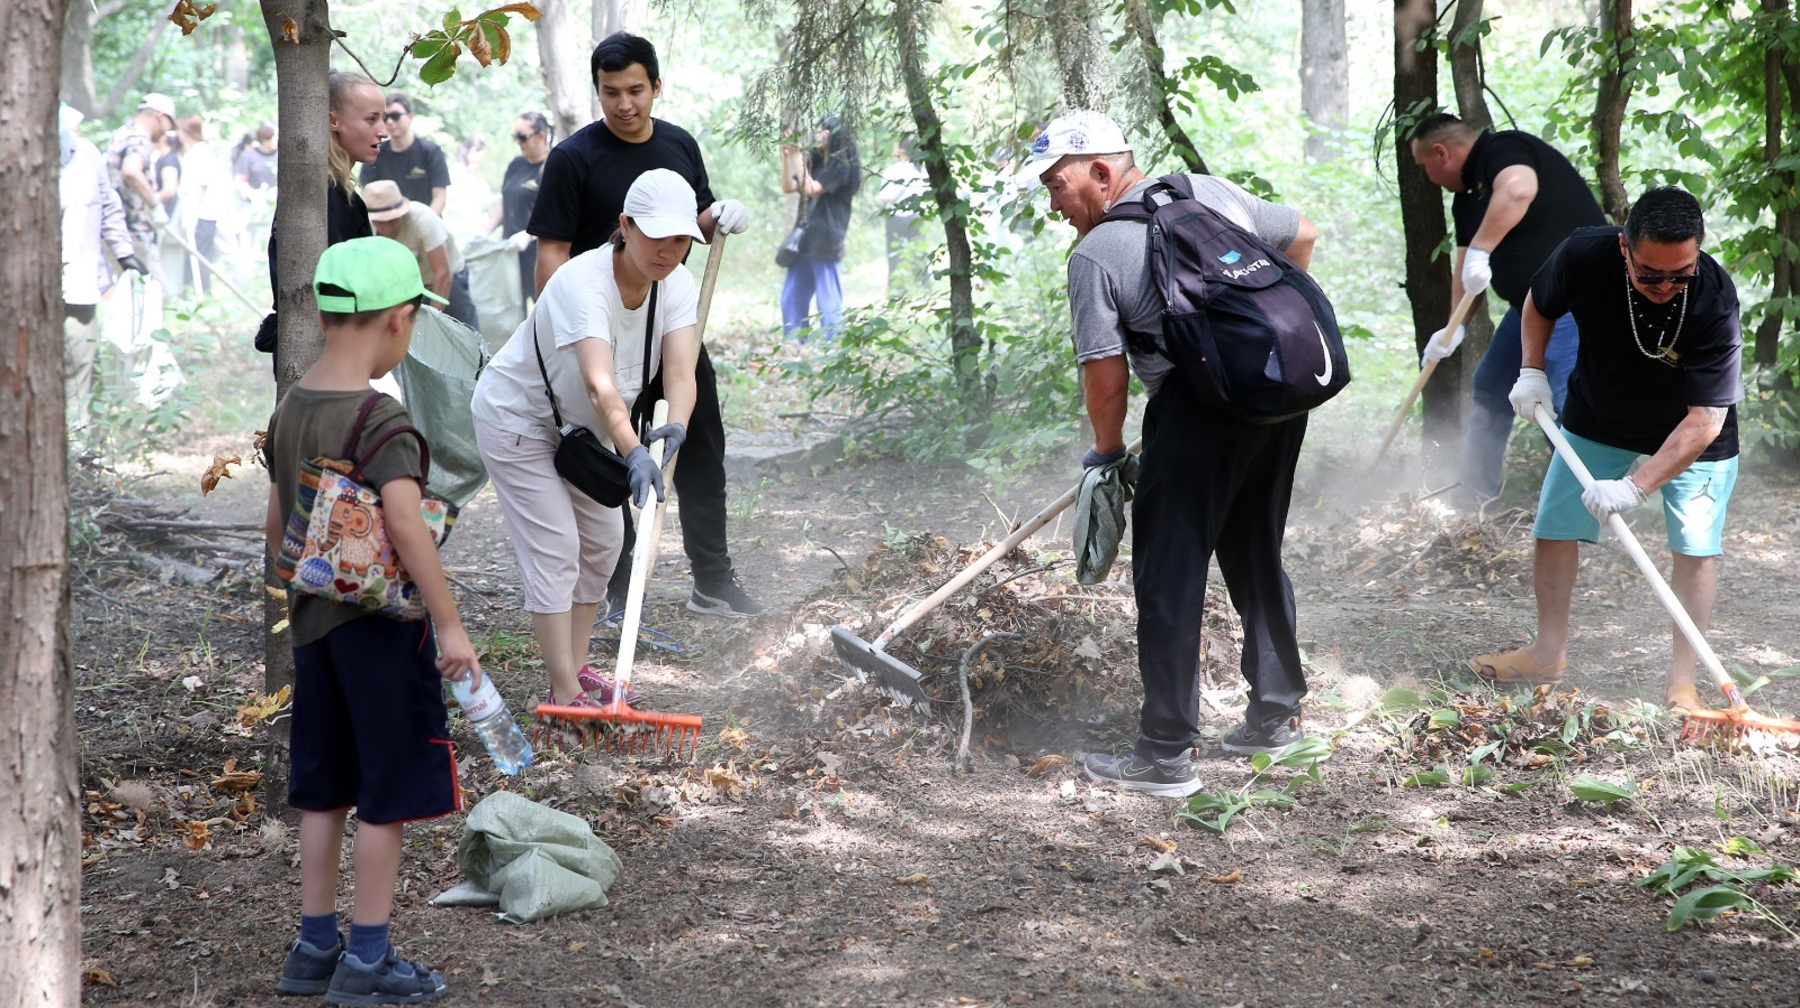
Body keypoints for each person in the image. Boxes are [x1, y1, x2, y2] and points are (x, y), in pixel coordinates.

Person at [1015, 111, 1320, 796]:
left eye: (1056, 185)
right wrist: (1261, 340)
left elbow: (1105, 375)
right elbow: (1302, 235)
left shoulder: (1097, 255)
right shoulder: (1207, 191)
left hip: (1197, 408)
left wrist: (1107, 454)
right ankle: (1277, 719)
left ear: (1100, 172)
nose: (1054, 204)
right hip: (1277, 395)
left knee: (1168, 574)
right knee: (1254, 551)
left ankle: (1164, 754)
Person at [263, 236, 466, 1004]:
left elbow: (276, 528)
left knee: (324, 788)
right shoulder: (383, 423)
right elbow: (409, 529)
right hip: (383, 636)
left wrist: (302, 592)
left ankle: (315, 947)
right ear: (396, 322)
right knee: (387, 791)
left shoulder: (291, 406)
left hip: (315, 632)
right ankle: (370, 960)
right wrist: (448, 625)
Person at [1469, 186, 1742, 712]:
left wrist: (1636, 487)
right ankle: (1547, 652)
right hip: (1600, 412)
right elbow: (1538, 304)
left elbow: (1705, 420)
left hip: (1688, 431)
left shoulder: (1713, 297)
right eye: (1650, 273)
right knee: (1555, 525)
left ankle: (1681, 683)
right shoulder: (1583, 254)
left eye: (1679, 273)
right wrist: (1531, 369)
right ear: (1624, 248)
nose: (1666, 285)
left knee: (1695, 547)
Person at [526, 31, 759, 618]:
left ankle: (713, 579)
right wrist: (561, 342)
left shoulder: (679, 144)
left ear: (656, 86)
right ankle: (613, 588)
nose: (624, 104)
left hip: (672, 323)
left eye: (635, 90)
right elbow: (551, 254)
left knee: (700, 443)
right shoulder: (573, 157)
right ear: (597, 92)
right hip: (601, 331)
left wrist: (716, 216)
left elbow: (693, 223)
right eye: (611, 93)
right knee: (610, 456)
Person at [472, 168, 704, 709]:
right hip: (519, 420)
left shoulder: (678, 285)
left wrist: (678, 425)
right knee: (557, 549)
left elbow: (681, 374)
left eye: (680, 239)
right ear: (624, 226)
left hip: (584, 432)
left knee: (604, 543)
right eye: (655, 235)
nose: (668, 250)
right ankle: (562, 694)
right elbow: (601, 385)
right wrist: (633, 451)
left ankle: (571, 671)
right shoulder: (582, 282)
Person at [1409, 113, 1608, 508]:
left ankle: (1578, 507)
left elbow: (1518, 190)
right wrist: (1453, 329)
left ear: (1441, 152)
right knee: (1492, 386)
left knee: (1566, 401)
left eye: (1424, 167)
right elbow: (1467, 269)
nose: (1428, 178)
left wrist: (1483, 250)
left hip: (1577, 298)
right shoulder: (1466, 201)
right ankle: (1472, 498)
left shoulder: (1503, 148)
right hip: (1532, 306)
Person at [255, 70, 386, 358]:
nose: (384, 131)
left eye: (383, 119)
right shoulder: (327, 197)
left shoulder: (332, 193)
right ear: (332, 121)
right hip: (327, 359)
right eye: (371, 119)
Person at [60, 103, 146, 433]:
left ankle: (80, 442)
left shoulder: (86, 154)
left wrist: (125, 254)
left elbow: (108, 206)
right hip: (21, 289)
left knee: (82, 363)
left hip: (79, 282)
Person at [778, 113, 861, 340]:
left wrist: (796, 154)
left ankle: (832, 347)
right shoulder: (814, 161)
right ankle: (794, 343)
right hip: (803, 238)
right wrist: (787, 156)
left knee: (828, 300)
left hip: (826, 239)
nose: (818, 134)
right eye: (818, 129)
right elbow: (789, 186)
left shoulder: (842, 164)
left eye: (824, 130)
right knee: (791, 297)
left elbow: (811, 188)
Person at [363, 179, 480, 331]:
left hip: (448, 278)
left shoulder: (423, 220)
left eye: (392, 220)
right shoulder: (366, 229)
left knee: (462, 332)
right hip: (411, 284)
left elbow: (443, 273)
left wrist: (433, 320)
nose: (386, 227)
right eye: (380, 221)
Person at [107, 92, 178, 283]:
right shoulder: (139, 137)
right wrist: (154, 204)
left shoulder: (123, 133)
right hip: (133, 230)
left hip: (119, 229)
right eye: (167, 128)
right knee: (154, 291)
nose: (164, 134)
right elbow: (131, 171)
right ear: (160, 117)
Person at [491, 111, 552, 301]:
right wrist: (485, 231)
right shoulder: (516, 164)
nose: (518, 142)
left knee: (541, 305)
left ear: (541, 136)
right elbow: (505, 200)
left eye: (522, 137)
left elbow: (557, 213)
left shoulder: (552, 167)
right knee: (510, 309)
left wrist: (530, 234)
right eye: (515, 136)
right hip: (510, 251)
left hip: (536, 253)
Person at [361, 93, 450, 215]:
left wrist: (427, 222)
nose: (391, 122)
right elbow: (367, 194)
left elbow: (439, 196)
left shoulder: (430, 152)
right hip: (387, 224)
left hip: (426, 223)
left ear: (410, 117)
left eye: (396, 116)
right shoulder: (375, 153)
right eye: (386, 117)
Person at [176, 115, 228, 295]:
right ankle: (191, 290)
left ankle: (202, 291)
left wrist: (193, 212)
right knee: (195, 254)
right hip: (197, 212)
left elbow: (202, 184)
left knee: (201, 256)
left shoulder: (201, 151)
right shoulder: (193, 151)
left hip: (204, 213)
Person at [875, 139, 931, 291]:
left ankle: (897, 290)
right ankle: (924, 287)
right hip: (916, 217)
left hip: (896, 219)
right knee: (919, 254)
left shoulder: (892, 170)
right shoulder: (921, 170)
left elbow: (885, 198)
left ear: (901, 150)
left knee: (895, 255)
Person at [234, 121, 279, 253]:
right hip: (253, 210)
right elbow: (239, 181)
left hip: (275, 209)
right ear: (267, 138)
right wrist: (254, 195)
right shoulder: (248, 156)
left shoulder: (282, 156)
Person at [151, 128, 184, 290]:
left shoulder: (169, 160)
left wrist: (149, 200)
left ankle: (167, 293)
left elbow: (169, 190)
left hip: (166, 213)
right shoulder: (161, 159)